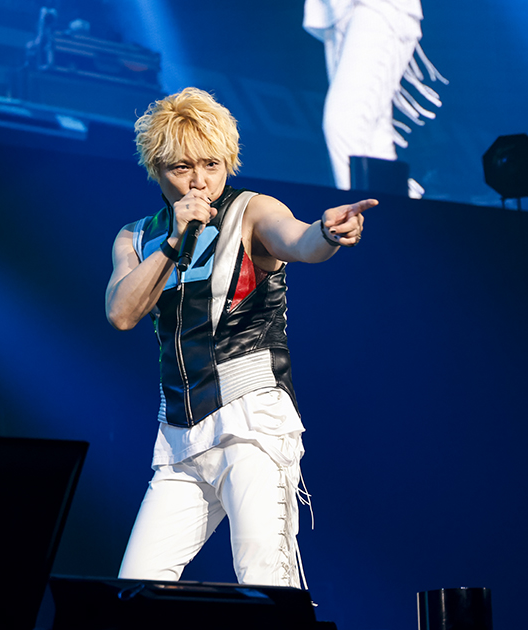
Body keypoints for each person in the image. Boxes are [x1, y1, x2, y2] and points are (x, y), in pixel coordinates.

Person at [106, 87, 377, 589]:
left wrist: (326, 233)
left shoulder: (250, 209)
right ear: (157, 169)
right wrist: (174, 240)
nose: (199, 181)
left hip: (250, 421)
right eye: (182, 167)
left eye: (211, 165)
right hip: (180, 436)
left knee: (264, 581)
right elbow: (122, 313)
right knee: (136, 586)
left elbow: (299, 240)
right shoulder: (137, 236)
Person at [303, 0, 447, 195]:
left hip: (378, 7)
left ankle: (357, 212)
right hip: (339, 12)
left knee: (345, 123)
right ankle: (397, 208)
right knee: (374, 142)